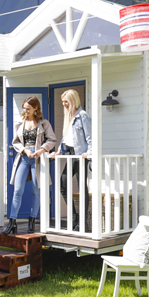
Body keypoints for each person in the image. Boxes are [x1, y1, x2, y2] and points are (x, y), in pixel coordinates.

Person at [2, 96, 57, 235]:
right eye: (24, 108)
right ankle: (12, 221)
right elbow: (15, 142)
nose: (25, 111)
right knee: (17, 190)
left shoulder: (43, 123)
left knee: (36, 190)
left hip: (38, 159)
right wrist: (25, 150)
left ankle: (32, 220)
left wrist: (41, 150)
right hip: (24, 157)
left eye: (28, 108)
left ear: (35, 108)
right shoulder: (20, 123)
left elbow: (52, 139)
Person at [48, 89, 92, 231]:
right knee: (63, 184)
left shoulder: (83, 116)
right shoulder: (69, 116)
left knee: (81, 187)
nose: (64, 104)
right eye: (63, 102)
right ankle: (75, 218)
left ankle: (83, 222)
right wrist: (59, 150)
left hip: (80, 155)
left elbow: (90, 138)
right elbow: (67, 136)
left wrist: (89, 153)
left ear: (73, 100)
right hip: (70, 153)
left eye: (66, 102)